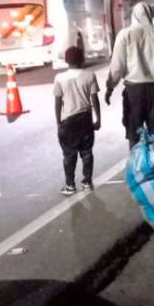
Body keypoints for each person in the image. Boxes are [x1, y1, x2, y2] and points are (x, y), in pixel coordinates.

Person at [105, 2, 154, 148]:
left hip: (133, 92)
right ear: (150, 15)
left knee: (134, 133)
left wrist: (110, 87)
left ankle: (136, 165)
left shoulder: (125, 35)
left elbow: (117, 66)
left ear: (134, 16)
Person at [53, 46, 101, 195]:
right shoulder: (89, 75)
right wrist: (98, 119)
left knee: (69, 154)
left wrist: (58, 121)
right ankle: (87, 182)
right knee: (87, 153)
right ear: (82, 59)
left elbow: (58, 101)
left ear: (66, 60)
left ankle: (70, 185)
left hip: (68, 120)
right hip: (85, 119)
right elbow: (95, 99)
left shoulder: (59, 78)